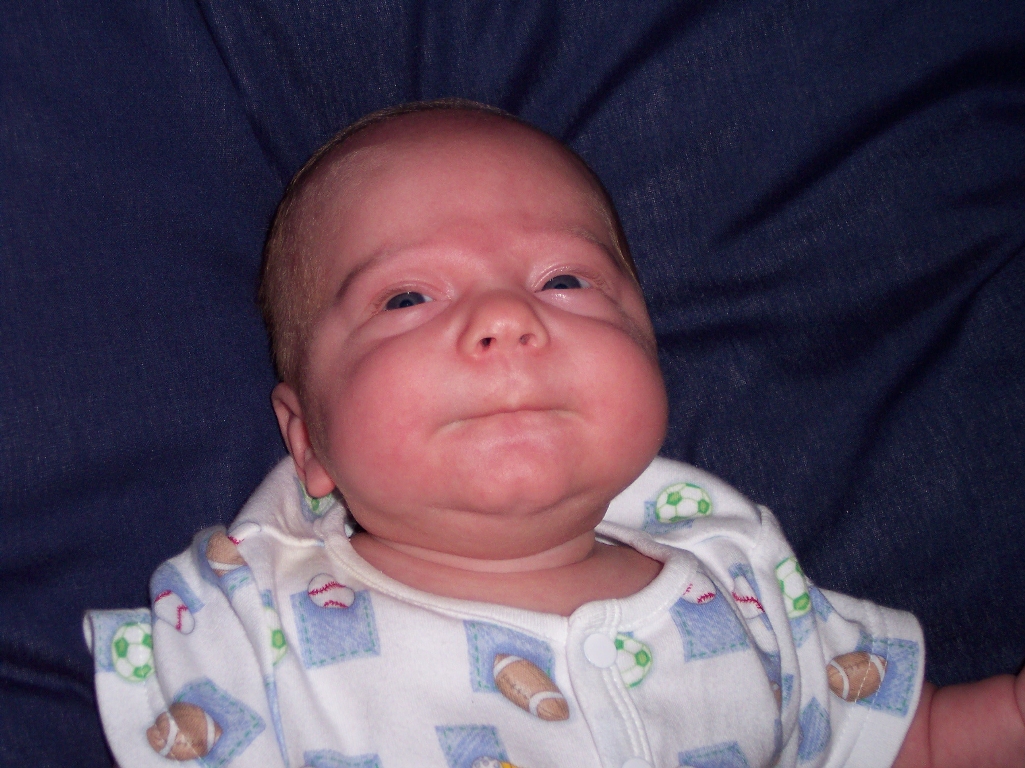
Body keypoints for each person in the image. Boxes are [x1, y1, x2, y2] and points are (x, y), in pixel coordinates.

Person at [86, 100, 1024, 768]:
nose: (505, 318)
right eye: (406, 297)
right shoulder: (252, 630)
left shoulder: (740, 581)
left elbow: (912, 741)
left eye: (564, 281)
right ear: (307, 444)